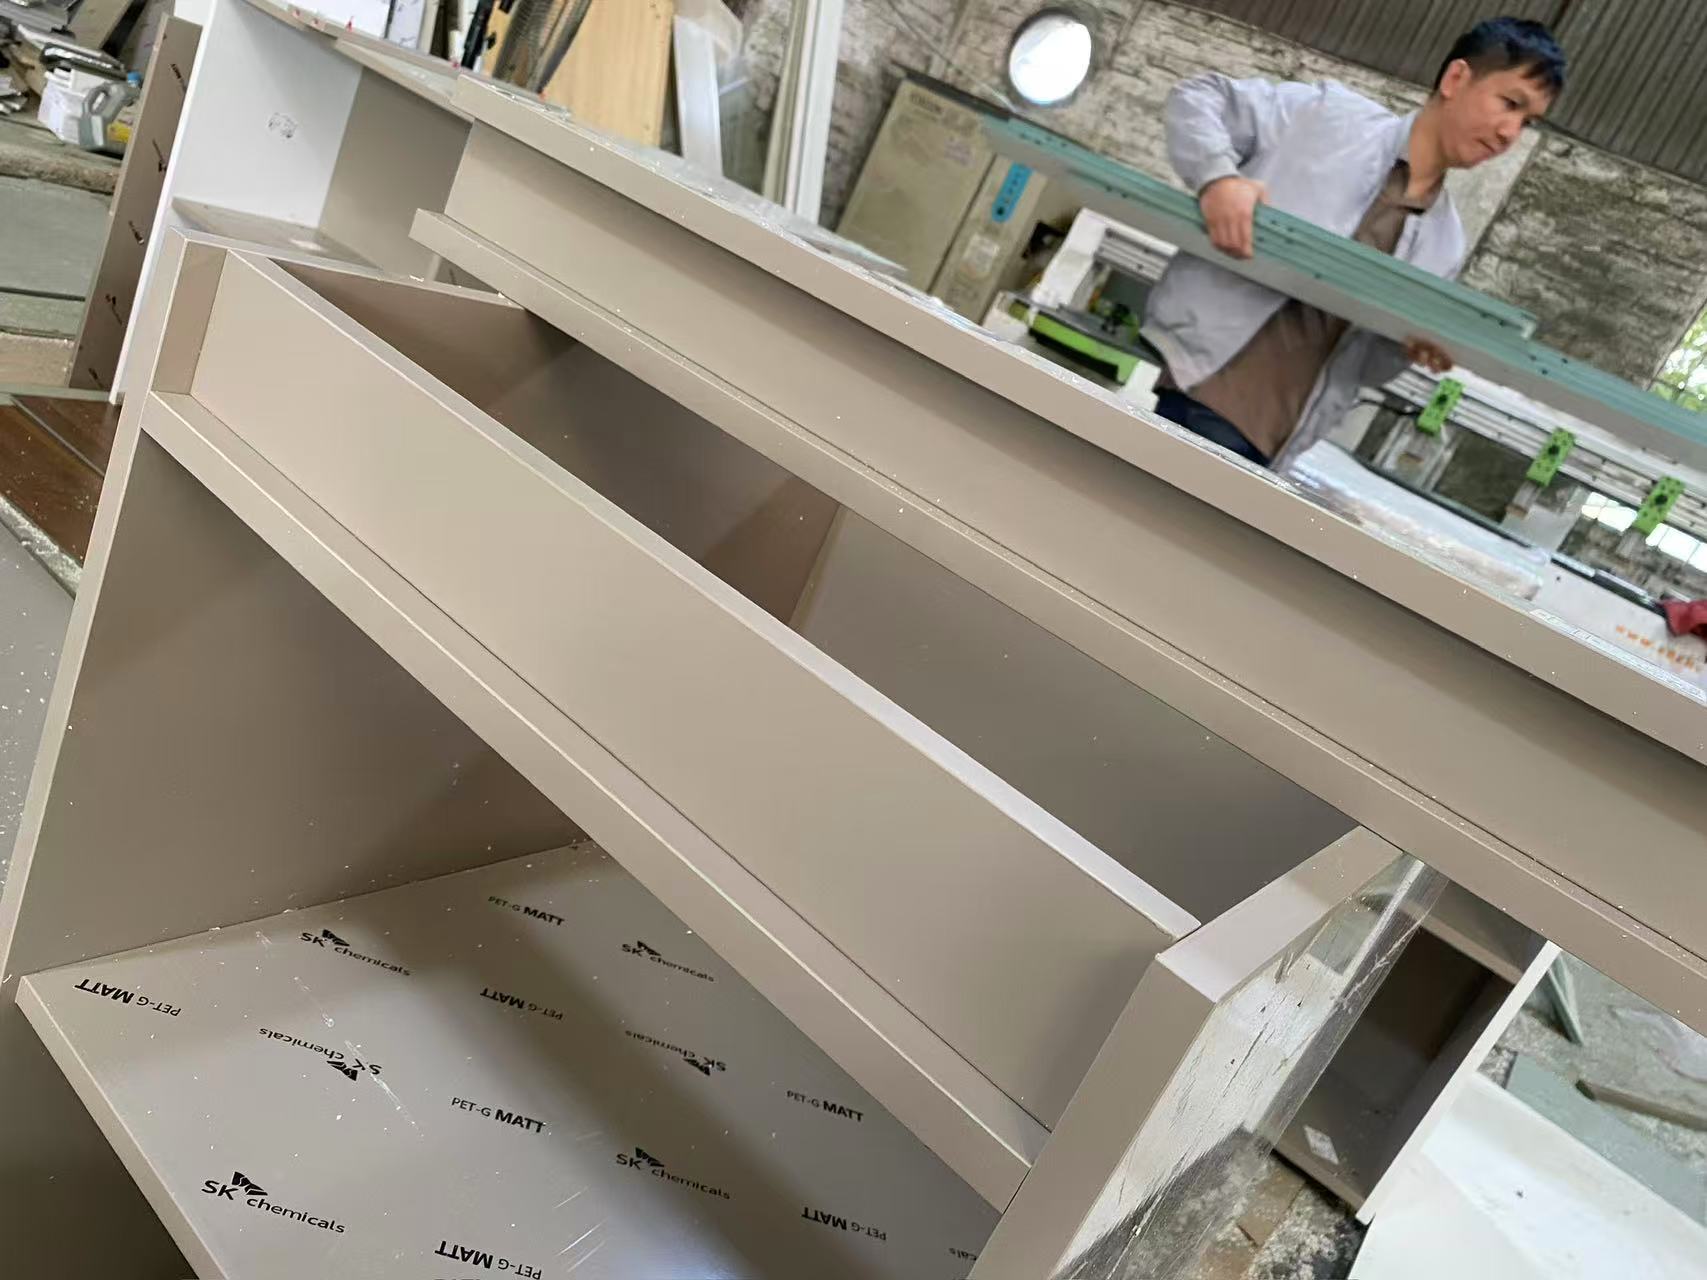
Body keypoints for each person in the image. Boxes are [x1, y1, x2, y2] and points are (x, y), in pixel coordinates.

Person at [1143, 17, 1567, 470]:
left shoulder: (1445, 243)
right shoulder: (1326, 119)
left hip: (1283, 441)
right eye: (1509, 103)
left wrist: (1408, 350)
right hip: (1205, 389)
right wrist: (1219, 180)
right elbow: (1199, 98)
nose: (1510, 133)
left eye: (1527, 122)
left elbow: (1366, 368)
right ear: (1456, 79)